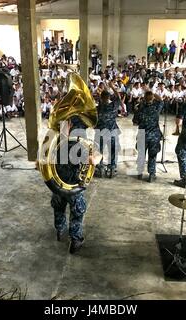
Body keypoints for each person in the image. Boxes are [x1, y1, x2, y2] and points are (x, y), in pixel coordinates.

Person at [49, 119, 100, 254]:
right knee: (76, 213)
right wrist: (94, 158)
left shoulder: (53, 143)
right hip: (73, 187)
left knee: (59, 208)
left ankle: (60, 231)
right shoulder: (78, 145)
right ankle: (75, 240)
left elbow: (41, 162)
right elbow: (94, 160)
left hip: (58, 185)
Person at [133, 91, 164, 182]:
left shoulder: (140, 109)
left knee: (141, 154)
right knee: (153, 155)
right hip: (154, 135)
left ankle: (139, 172)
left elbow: (135, 122)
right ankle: (151, 174)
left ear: (144, 98)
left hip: (142, 135)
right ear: (152, 98)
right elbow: (161, 101)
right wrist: (153, 94)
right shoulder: (156, 107)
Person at [95, 88, 121, 178]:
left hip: (100, 133)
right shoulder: (113, 106)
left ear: (101, 98)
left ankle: (100, 168)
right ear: (109, 97)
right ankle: (112, 168)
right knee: (113, 150)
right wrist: (112, 87)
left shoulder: (97, 109)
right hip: (112, 132)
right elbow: (118, 97)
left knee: (99, 151)